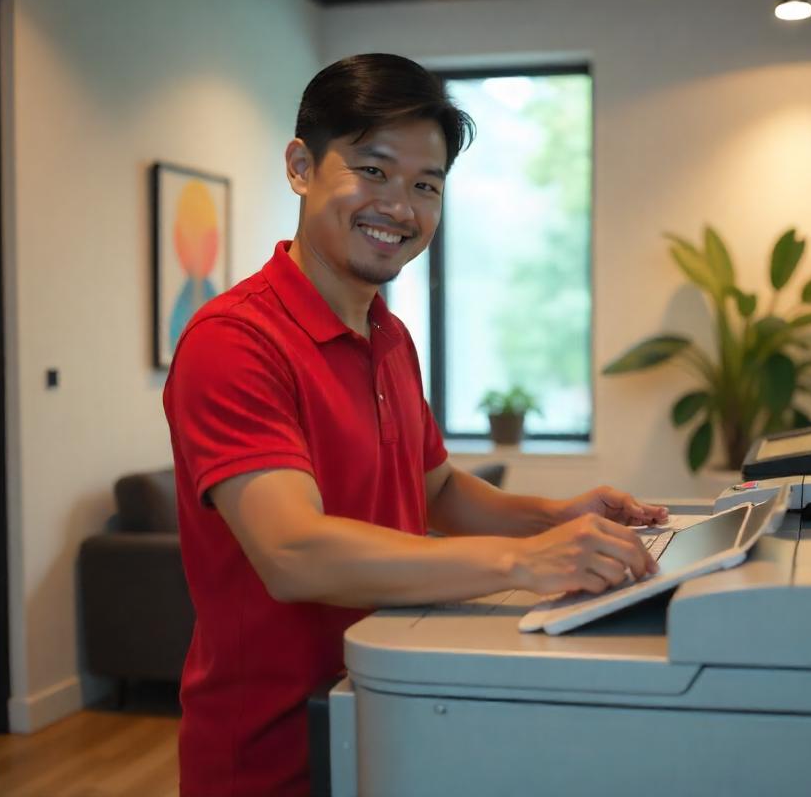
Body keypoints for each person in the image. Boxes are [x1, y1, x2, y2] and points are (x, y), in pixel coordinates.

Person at [163, 53, 667, 796]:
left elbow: (437, 490)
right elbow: (292, 551)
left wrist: (552, 517)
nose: (400, 207)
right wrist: (523, 563)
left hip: (391, 707)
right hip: (272, 754)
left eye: (425, 185)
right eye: (373, 169)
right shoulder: (234, 342)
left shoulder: (387, 336)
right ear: (302, 167)